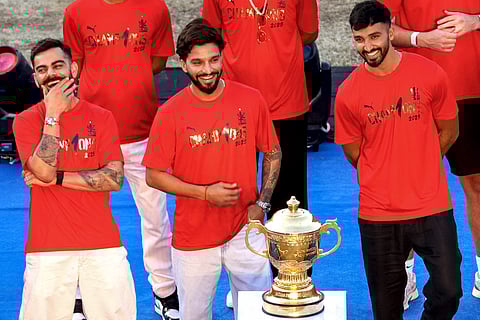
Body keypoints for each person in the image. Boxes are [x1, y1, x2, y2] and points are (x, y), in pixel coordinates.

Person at [142, 18, 281, 320]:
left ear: (222, 56)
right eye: (197, 62)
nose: (207, 69)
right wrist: (205, 193)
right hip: (193, 238)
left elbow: (272, 151)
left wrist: (263, 204)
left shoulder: (250, 99)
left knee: (259, 314)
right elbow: (153, 175)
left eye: (214, 59)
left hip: (247, 228)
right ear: (183, 65)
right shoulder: (170, 113)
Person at [335, 1, 463, 319]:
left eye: (375, 36)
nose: (368, 47)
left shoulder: (430, 73)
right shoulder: (348, 92)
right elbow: (354, 153)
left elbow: (449, 131)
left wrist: (421, 163)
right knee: (386, 308)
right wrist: (386, 171)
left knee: (449, 290)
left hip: (431, 204)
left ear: (391, 30)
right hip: (378, 213)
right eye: (360, 39)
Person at [63, 0, 180, 318]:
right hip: (92, 135)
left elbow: (156, 61)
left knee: (156, 219)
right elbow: (77, 64)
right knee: (85, 218)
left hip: (142, 132)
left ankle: (165, 291)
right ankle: (79, 297)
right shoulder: (76, 11)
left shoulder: (155, 8)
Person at [13, 38, 136, 319]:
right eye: (42, 69)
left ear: (74, 68)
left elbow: (114, 178)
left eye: (58, 65)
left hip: (103, 242)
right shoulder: (25, 121)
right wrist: (53, 114)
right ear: (35, 79)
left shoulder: (102, 117)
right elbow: (41, 171)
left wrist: (55, 178)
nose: (51, 74)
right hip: (47, 246)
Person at [202, 0, 319, 287]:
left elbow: (308, 33)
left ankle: (291, 277)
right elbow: (212, 36)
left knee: (289, 195)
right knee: (236, 191)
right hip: (234, 101)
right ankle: (242, 280)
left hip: (287, 101)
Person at [381, 0, 480, 301]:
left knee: (477, 185)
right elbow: (380, 30)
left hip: (473, 89)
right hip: (416, 95)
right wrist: (420, 39)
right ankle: (406, 275)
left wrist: (476, 21)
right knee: (407, 187)